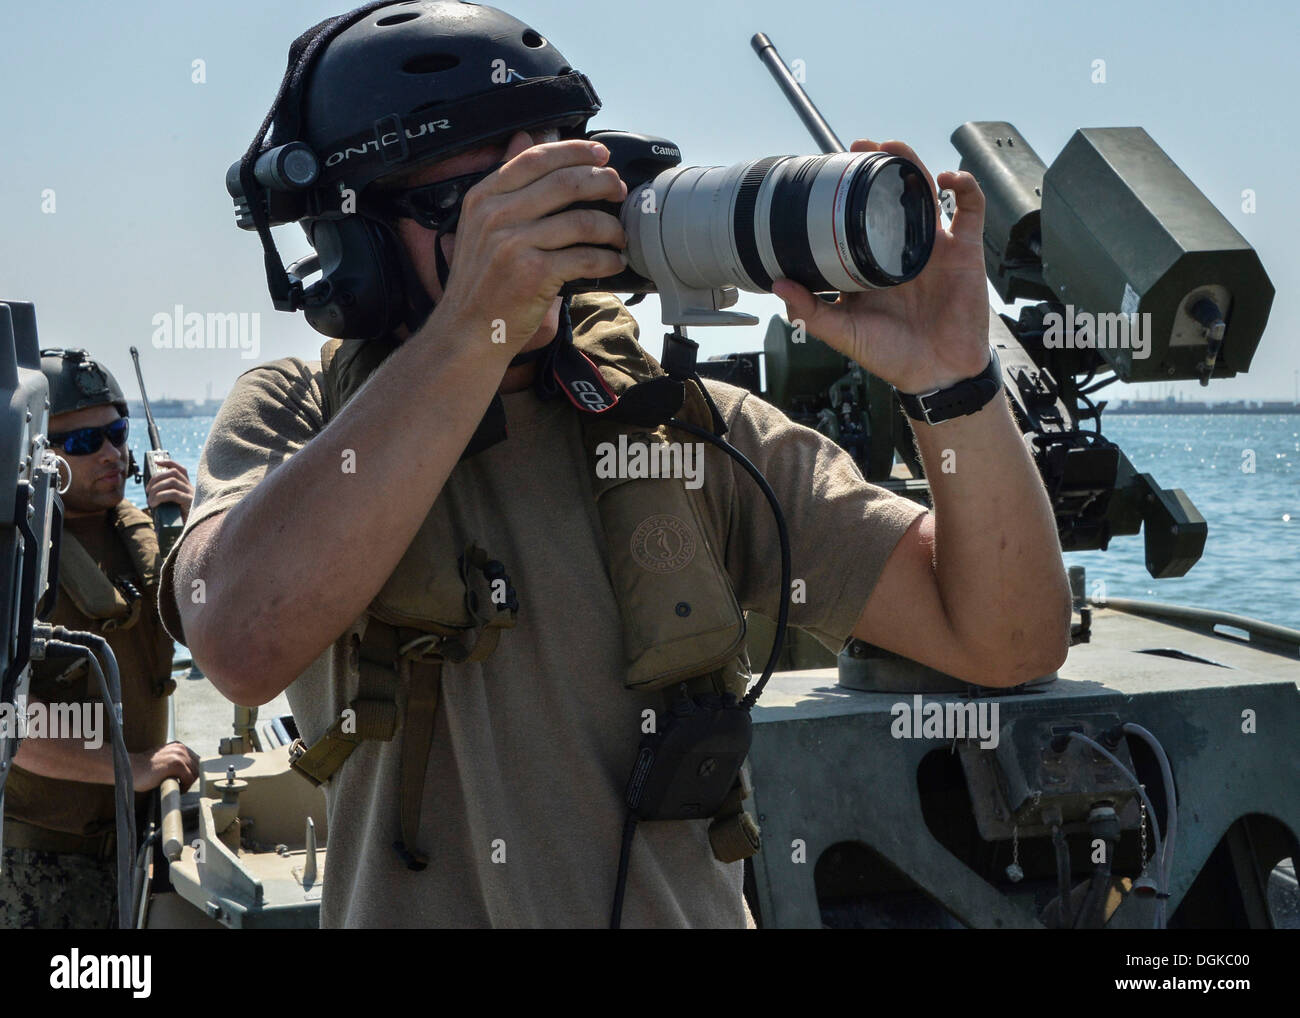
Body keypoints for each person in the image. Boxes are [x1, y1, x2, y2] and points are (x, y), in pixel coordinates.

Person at [161, 1, 1071, 928]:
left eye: (558, 182)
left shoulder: (683, 427)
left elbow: (1005, 641)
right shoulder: (302, 418)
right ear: (354, 244)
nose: (540, 232)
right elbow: (239, 640)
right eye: (484, 207)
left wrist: (952, 384)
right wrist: (474, 328)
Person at [0, 349, 201, 929]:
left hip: (138, 847)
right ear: (39, 453)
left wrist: (192, 530)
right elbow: (9, 721)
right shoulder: (20, 556)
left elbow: (220, 634)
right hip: (43, 865)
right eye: (85, 444)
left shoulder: (141, 537)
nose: (112, 454)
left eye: (116, 434)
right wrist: (130, 767)